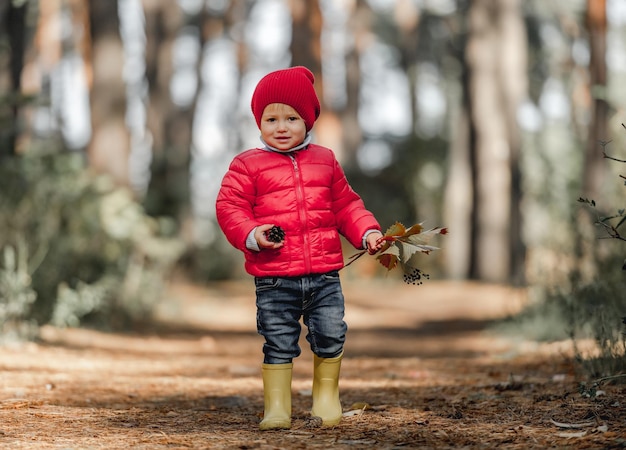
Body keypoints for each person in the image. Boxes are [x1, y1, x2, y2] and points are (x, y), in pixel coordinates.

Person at [215, 66, 384, 430]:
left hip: (324, 275)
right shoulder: (247, 165)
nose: (281, 126)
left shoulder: (324, 161)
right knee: (278, 340)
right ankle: (277, 407)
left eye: (291, 118)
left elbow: (346, 206)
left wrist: (367, 232)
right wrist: (253, 233)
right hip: (275, 278)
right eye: (271, 118)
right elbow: (230, 208)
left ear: (308, 121)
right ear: (258, 122)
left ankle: (326, 396)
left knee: (330, 333)